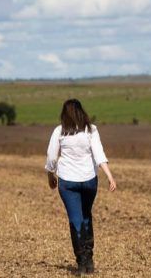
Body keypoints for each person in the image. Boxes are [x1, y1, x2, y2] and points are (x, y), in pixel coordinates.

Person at [45, 99, 117, 275]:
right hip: (89, 181)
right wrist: (109, 176)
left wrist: (50, 175)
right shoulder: (91, 130)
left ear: (64, 113)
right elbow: (99, 154)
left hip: (68, 182)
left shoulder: (60, 131)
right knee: (86, 217)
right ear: (81, 112)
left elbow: (52, 156)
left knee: (76, 220)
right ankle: (89, 261)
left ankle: (82, 264)